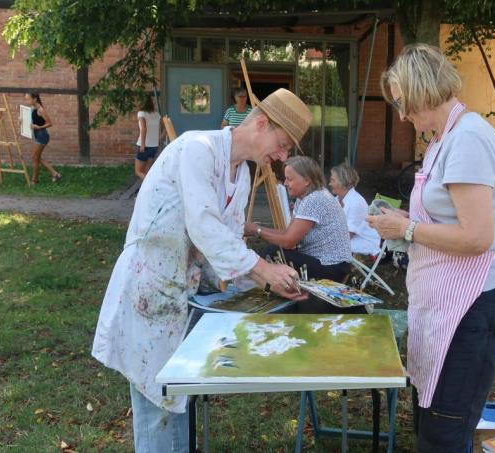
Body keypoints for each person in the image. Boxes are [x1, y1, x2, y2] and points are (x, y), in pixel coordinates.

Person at [92, 88, 312, 453]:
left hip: (183, 297)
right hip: (150, 293)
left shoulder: (241, 175)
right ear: (262, 123)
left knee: (177, 403)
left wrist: (267, 282)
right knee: (156, 410)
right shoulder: (198, 149)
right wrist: (261, 271)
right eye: (284, 144)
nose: (282, 156)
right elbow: (204, 226)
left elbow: (224, 245)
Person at [367, 44, 495, 452]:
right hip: (444, 303)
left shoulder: (468, 139)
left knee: (445, 433)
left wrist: (408, 228)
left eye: (402, 104)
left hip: (472, 304)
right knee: (429, 419)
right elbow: (443, 220)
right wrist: (398, 226)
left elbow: (476, 237)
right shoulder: (443, 139)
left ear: (422, 90)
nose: (401, 116)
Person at [244, 156, 352, 285]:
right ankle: (266, 287)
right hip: (326, 264)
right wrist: (254, 228)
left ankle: (264, 288)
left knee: (272, 253)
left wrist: (256, 230)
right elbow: (287, 233)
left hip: (333, 268)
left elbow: (288, 242)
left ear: (306, 180)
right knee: (273, 250)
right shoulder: (305, 198)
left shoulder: (315, 199)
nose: (285, 183)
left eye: (289, 179)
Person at [328, 163, 381, 257]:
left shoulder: (356, 202)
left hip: (364, 240)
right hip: (350, 238)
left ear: (343, 182)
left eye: (333, 180)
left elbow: (348, 235)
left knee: (322, 247)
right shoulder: (337, 199)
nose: (329, 184)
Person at [25, 93, 62, 184]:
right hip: (38, 135)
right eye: (26, 99)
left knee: (35, 157)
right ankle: (55, 174)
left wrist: (39, 127)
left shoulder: (40, 110)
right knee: (36, 157)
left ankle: (35, 180)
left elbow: (50, 123)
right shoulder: (33, 109)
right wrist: (21, 121)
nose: (27, 101)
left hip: (42, 136)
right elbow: (31, 122)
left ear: (35, 99)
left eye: (28, 99)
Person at [134, 94, 164, 179]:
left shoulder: (141, 113)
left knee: (139, 171)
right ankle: (149, 189)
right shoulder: (156, 114)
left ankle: (152, 187)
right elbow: (165, 125)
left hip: (144, 146)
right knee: (148, 171)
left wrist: (143, 144)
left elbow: (144, 128)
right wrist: (161, 136)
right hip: (154, 146)